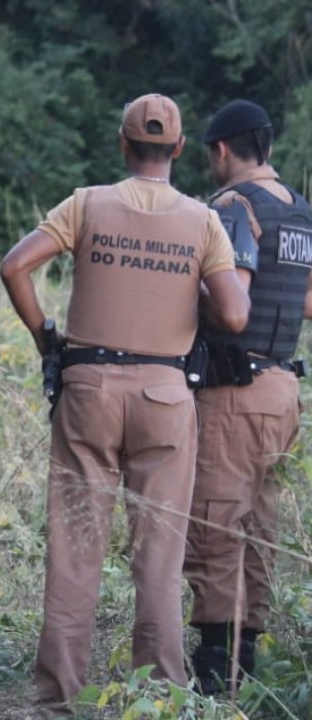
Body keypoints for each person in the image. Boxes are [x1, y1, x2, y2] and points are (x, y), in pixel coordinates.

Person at [0, 93, 249, 713]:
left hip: (88, 387)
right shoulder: (202, 220)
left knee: (76, 549)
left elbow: (14, 267)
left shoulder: (87, 203)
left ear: (122, 143)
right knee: (160, 555)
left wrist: (45, 338)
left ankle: (58, 697)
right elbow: (237, 314)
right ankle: (159, 699)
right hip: (167, 394)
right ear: (181, 149)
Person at [183, 99, 312, 695]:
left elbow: (231, 309)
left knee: (214, 523)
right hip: (284, 390)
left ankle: (213, 672)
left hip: (234, 390)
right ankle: (248, 659)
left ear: (222, 150)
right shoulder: (300, 211)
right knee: (260, 526)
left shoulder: (234, 206)